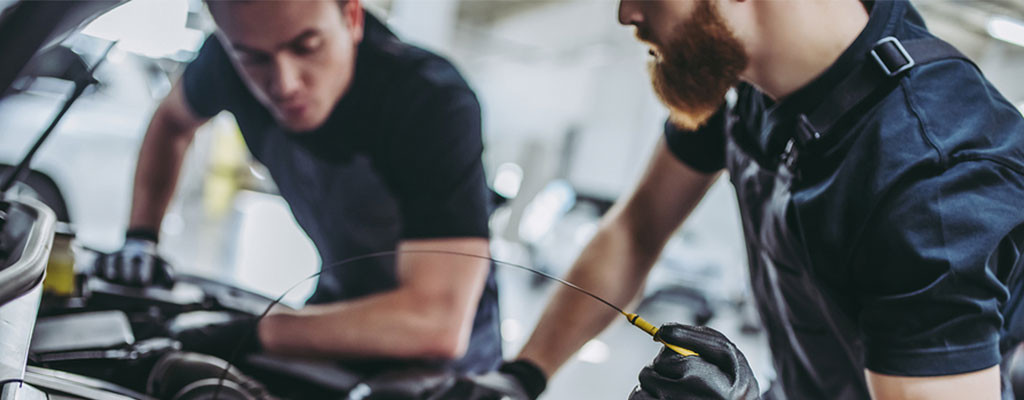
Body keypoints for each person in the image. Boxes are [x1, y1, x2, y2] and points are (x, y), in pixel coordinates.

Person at [439, 0, 1024, 399]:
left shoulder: (929, 182)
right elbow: (637, 228)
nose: (627, 12)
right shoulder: (747, 79)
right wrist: (522, 376)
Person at [96, 0, 502, 375]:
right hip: (337, 310)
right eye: (254, 58)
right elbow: (170, 122)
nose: (284, 84)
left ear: (352, 18)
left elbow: (435, 323)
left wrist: (254, 333)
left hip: (445, 362)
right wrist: (141, 237)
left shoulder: (430, 102)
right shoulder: (226, 60)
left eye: (306, 46)